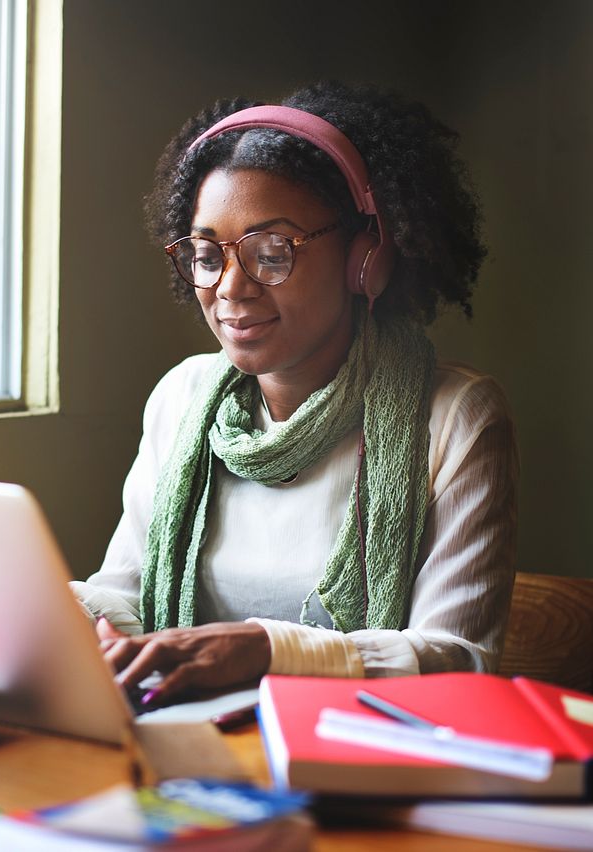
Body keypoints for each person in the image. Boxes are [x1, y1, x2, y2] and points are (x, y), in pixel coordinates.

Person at [71, 81, 518, 706]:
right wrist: (42, 605)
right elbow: (125, 598)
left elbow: (458, 661)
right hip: (184, 736)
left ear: (367, 258)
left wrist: (266, 649)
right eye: (206, 254)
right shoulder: (182, 397)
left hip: (350, 759)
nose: (230, 288)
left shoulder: (457, 418)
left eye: (272, 252)